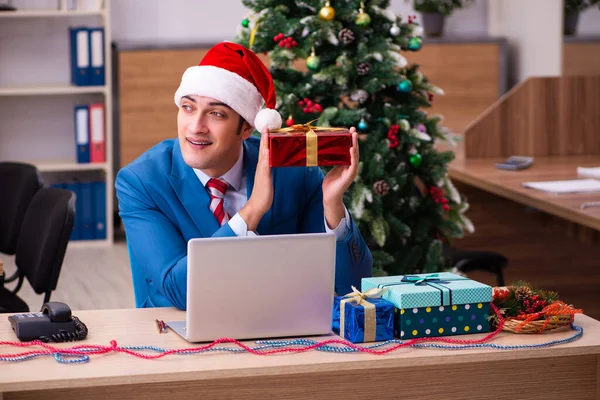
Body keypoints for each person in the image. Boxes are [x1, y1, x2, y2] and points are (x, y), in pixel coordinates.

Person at [116, 42, 372, 310]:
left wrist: (332, 204)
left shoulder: (294, 174)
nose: (195, 127)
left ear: (248, 127)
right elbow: (180, 293)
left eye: (216, 114)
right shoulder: (141, 181)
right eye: (188, 108)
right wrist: (250, 213)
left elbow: (352, 284)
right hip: (176, 334)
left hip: (275, 324)